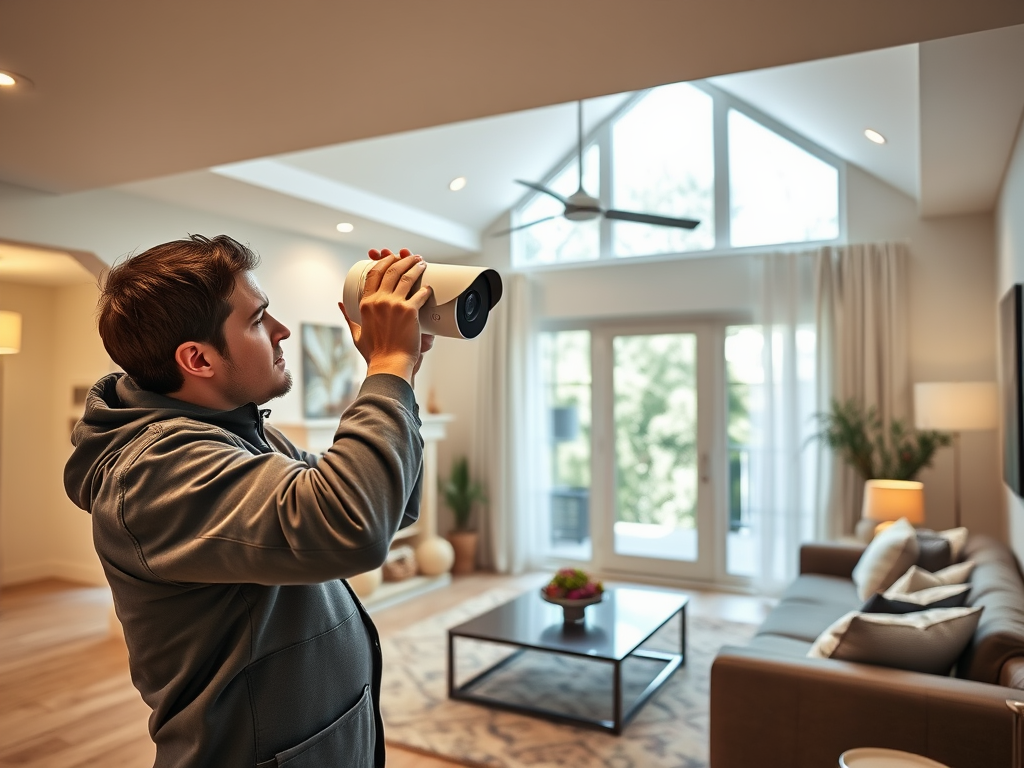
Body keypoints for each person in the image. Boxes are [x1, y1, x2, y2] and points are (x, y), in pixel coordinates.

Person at [64, 234, 434, 768]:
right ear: (198, 358)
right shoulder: (154, 473)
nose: (281, 331)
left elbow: (388, 508)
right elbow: (353, 527)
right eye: (259, 319)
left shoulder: (247, 438)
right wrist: (387, 369)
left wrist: (404, 374)